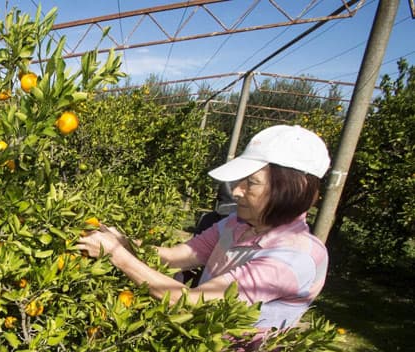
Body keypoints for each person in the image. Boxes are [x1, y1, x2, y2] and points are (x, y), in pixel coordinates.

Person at [76, 124, 331, 331]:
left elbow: (192, 302)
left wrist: (117, 255)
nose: (238, 190)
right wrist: (124, 242)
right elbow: (177, 257)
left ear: (292, 190)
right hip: (196, 350)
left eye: (251, 183)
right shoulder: (238, 223)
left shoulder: (294, 258)